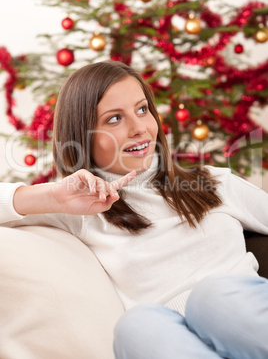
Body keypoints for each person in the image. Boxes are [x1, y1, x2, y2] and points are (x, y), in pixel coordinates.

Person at [0, 60, 268, 359]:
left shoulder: (214, 182)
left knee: (212, 297)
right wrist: (52, 195)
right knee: (136, 326)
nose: (139, 128)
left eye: (142, 110)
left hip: (245, 321)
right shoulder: (81, 210)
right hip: (172, 344)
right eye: (114, 118)